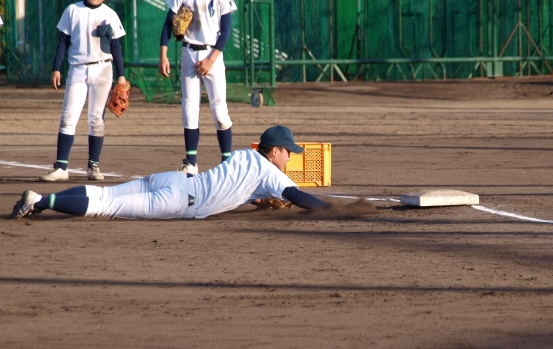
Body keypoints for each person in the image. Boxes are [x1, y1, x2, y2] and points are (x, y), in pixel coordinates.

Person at [11, 125, 328, 220]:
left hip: (175, 179)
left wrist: (254, 201)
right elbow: (298, 196)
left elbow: (236, 186)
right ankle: (39, 202)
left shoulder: (246, 155)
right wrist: (331, 208)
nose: (290, 157)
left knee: (105, 194)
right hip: (180, 200)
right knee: (105, 207)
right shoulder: (271, 173)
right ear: (275, 151)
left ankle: (43, 199)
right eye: (288, 152)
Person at [41, 0, 127, 182]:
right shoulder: (73, 10)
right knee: (68, 118)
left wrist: (122, 76)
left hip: (103, 70)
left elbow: (116, 46)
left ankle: (93, 166)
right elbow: (63, 42)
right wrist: (56, 68)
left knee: (96, 119)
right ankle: (61, 167)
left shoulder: (110, 14)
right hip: (77, 70)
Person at [158, 0, 237, 175]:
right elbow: (167, 26)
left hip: (213, 54)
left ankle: (226, 162)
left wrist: (211, 60)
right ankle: (191, 162)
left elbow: (226, 32)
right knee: (189, 107)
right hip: (189, 52)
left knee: (219, 110)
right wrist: (163, 55)